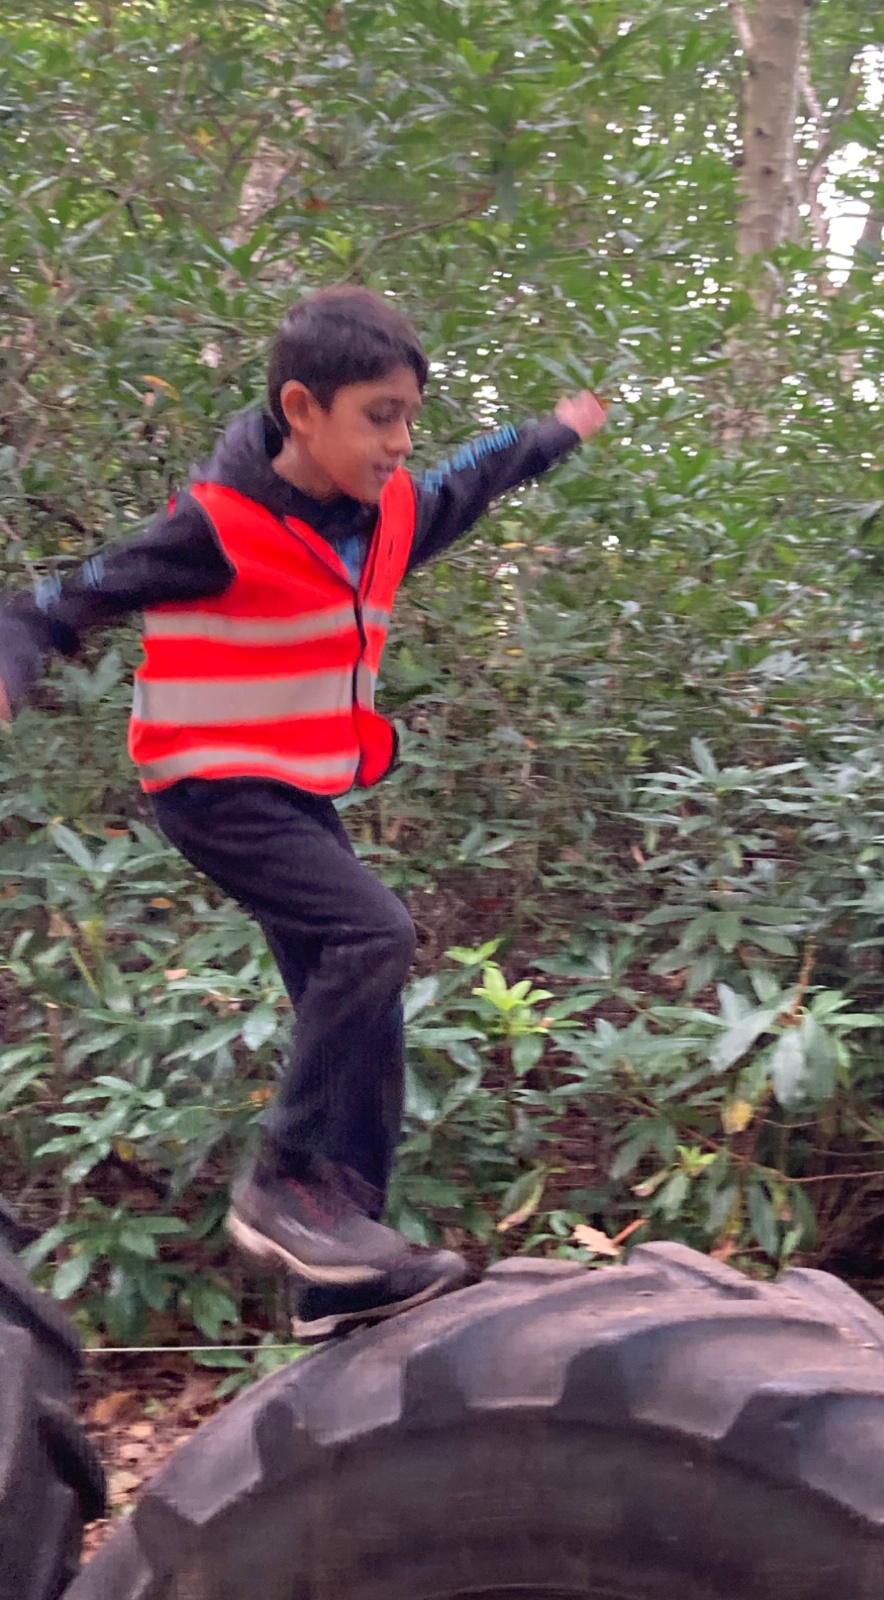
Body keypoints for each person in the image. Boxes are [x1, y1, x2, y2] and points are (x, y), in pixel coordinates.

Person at [0, 286, 606, 1340]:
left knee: (365, 1004)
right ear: (301, 408)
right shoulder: (215, 528)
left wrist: (552, 433)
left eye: (410, 417)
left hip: (290, 789)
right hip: (210, 785)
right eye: (380, 417)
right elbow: (62, 600)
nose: (401, 442)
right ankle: (282, 1186)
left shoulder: (393, 511)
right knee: (373, 933)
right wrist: (13, 659)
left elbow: (477, 474)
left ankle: (337, 1270)